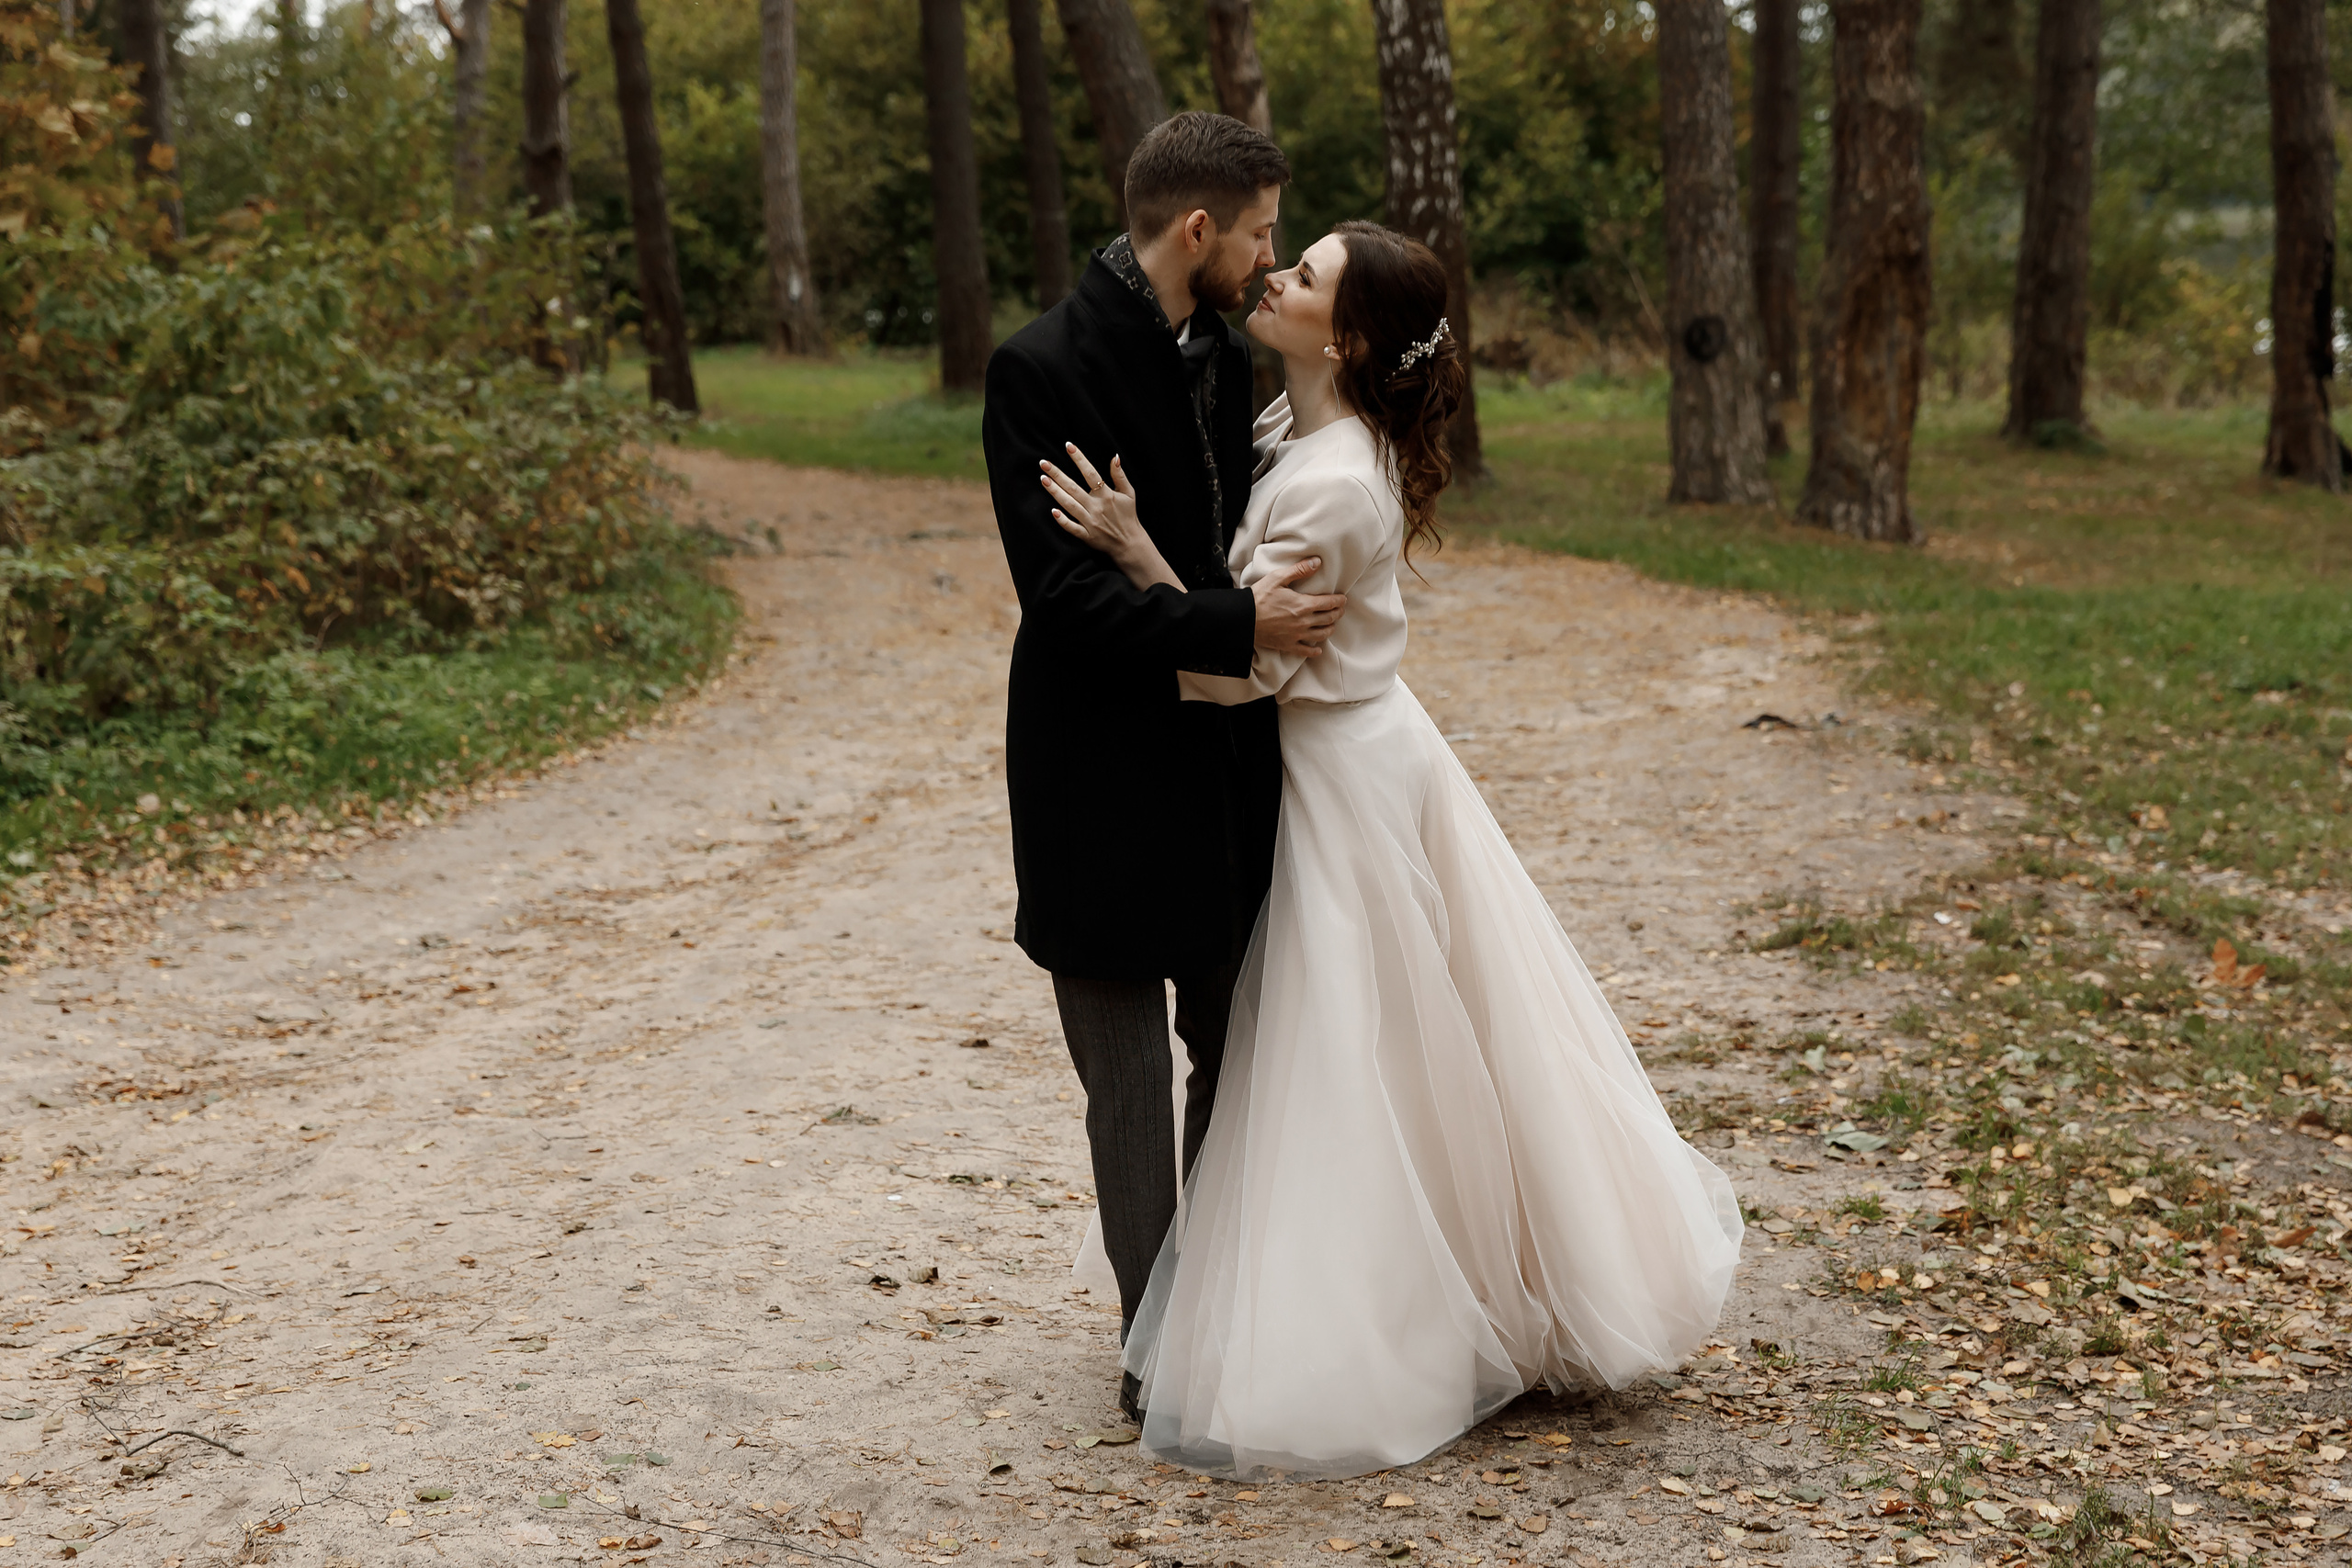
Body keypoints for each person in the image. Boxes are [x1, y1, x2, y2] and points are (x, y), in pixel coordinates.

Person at [1037, 221, 1745, 1480]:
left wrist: (1137, 551)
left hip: (1338, 777)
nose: (1274, 279)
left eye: (1302, 277)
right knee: (1419, 1050)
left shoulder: (1329, 485)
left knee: (1351, 1054)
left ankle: (1378, 1321)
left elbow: (1243, 665)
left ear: (1347, 338)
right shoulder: (1297, 436)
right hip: (1363, 747)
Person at [980, 113, 1348, 1418]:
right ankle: (1155, 1347)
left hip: (1228, 762)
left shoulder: (1232, 356)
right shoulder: (1036, 369)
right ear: (1200, 230)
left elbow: (1234, 535)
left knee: (1236, 1045)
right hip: (1093, 772)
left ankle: (1221, 1305)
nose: (1267, 259)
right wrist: (1230, 623)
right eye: (1259, 235)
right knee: (1125, 1081)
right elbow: (1066, 603)